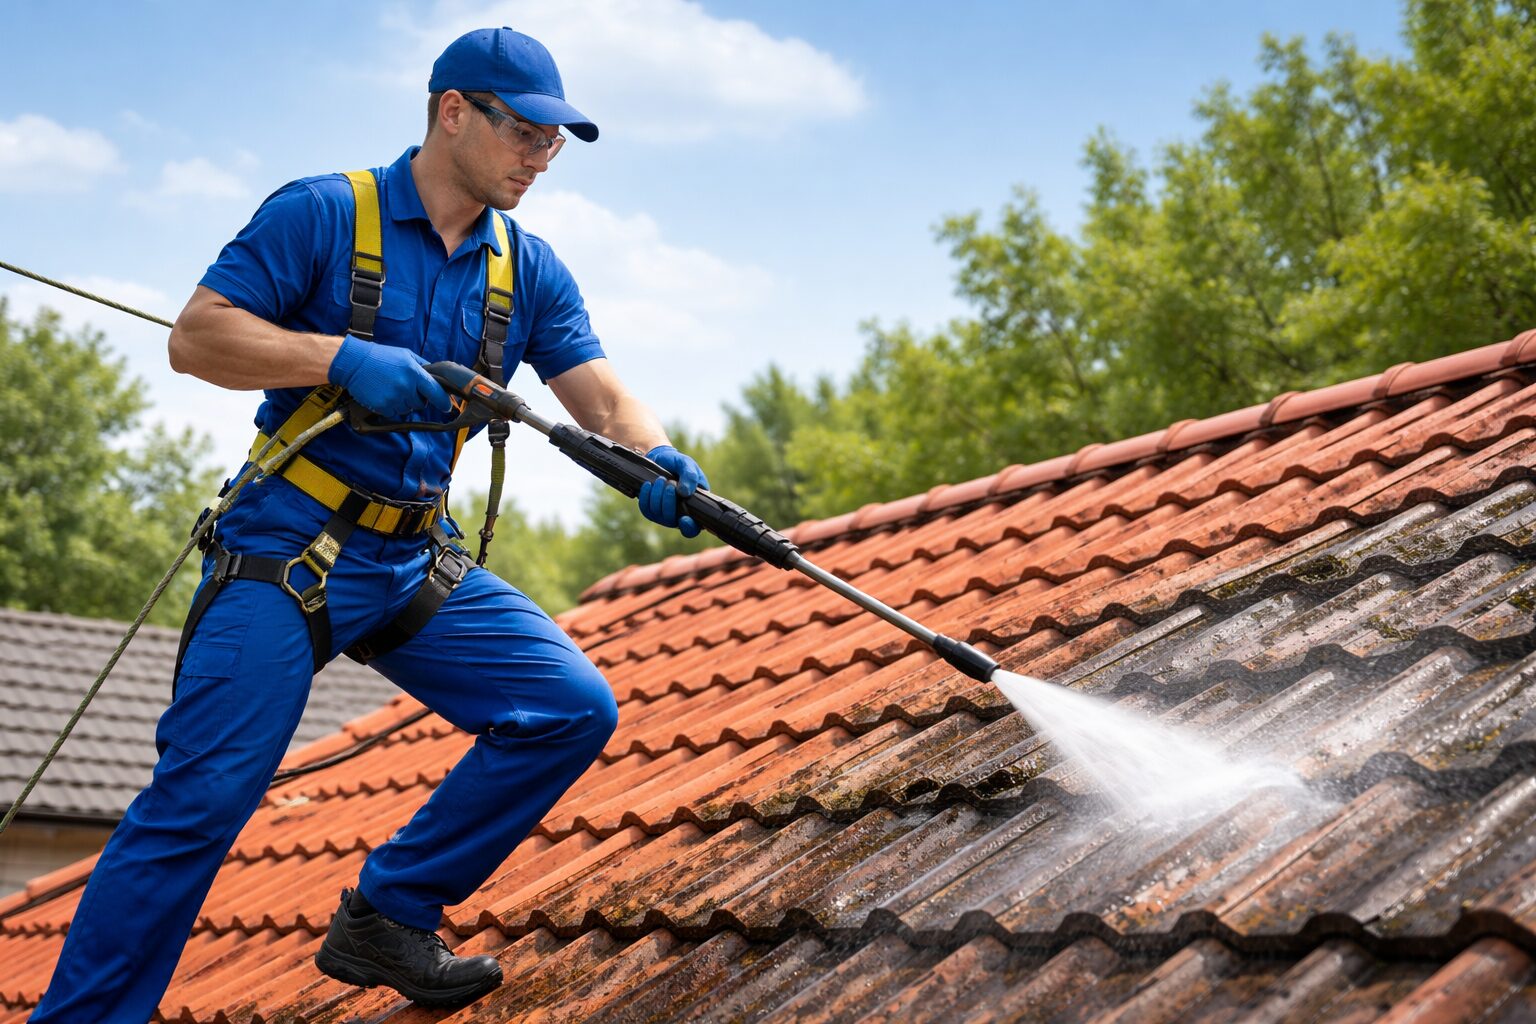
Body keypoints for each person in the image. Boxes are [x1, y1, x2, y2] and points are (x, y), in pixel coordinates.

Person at [30, 27, 709, 1020]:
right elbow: (196, 338)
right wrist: (337, 358)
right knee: (201, 804)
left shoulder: (526, 268)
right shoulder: (320, 213)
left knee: (570, 706)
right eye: (525, 133)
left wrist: (655, 456)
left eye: (556, 144)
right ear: (453, 113)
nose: (541, 158)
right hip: (287, 549)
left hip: (411, 560)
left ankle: (388, 911)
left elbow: (599, 396)